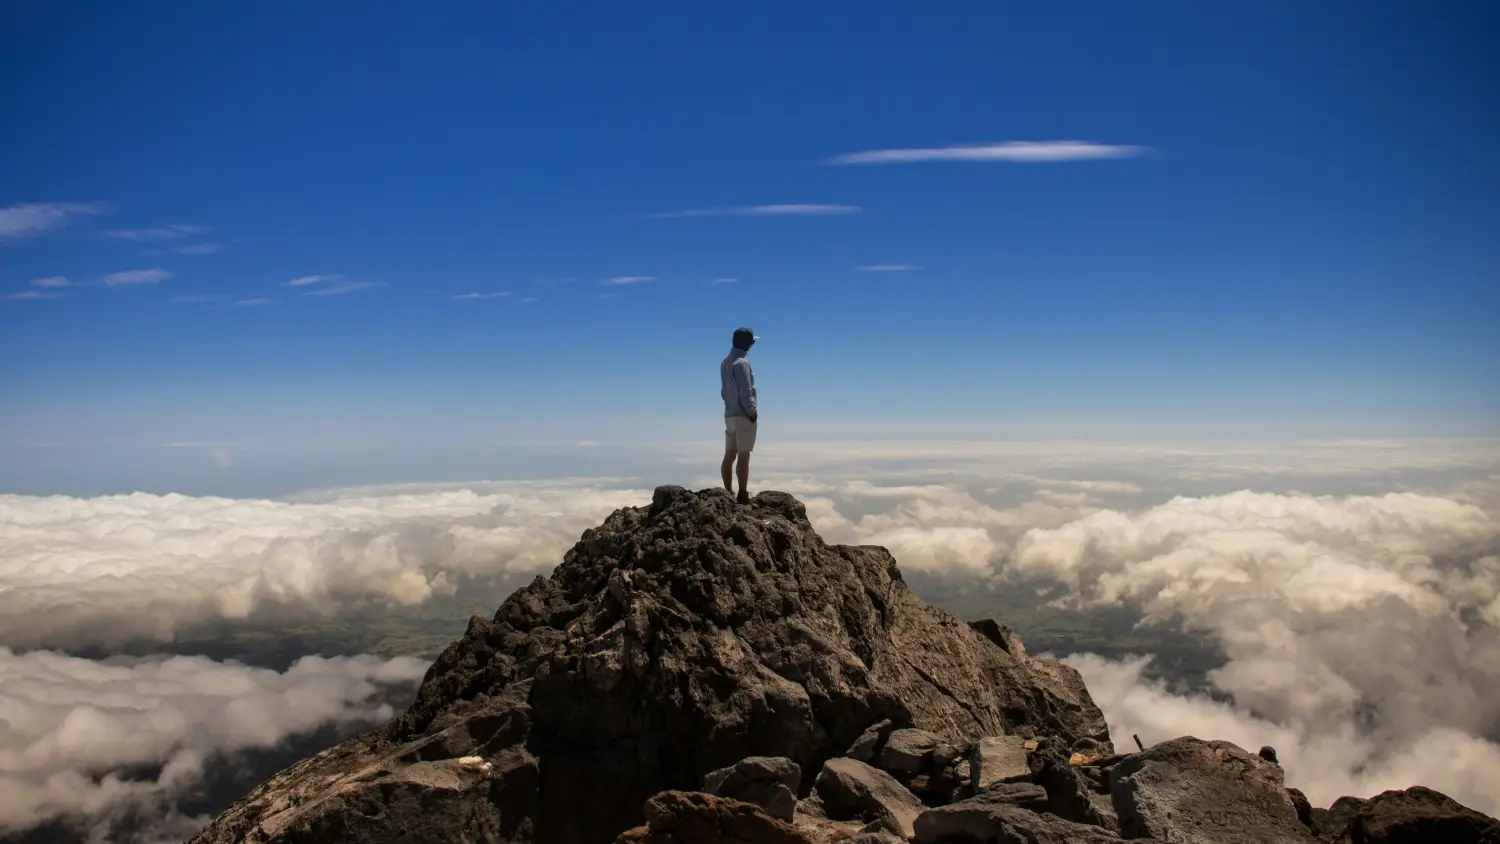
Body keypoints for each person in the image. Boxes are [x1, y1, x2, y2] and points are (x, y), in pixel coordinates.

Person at [720, 327, 758, 504]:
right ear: (747, 343)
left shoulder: (725, 362)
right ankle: (742, 494)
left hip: (729, 415)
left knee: (729, 453)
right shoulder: (742, 363)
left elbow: (723, 392)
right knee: (744, 454)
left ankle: (727, 493)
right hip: (743, 415)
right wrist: (752, 413)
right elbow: (746, 392)